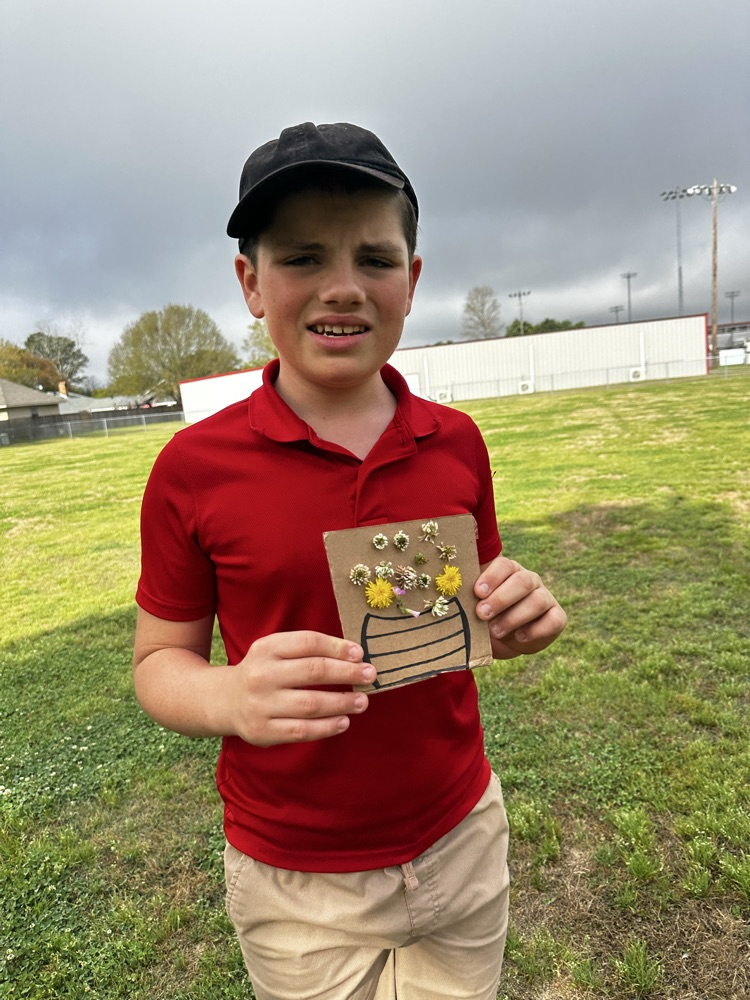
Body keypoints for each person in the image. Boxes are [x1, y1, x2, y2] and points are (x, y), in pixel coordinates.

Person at [133, 121, 567, 1000]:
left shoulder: (457, 442)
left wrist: (515, 619)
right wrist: (230, 695)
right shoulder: (193, 468)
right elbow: (157, 663)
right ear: (252, 284)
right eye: (303, 258)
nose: (343, 286)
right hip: (296, 879)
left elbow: (474, 607)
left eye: (374, 259)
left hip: (461, 836)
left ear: (411, 279)